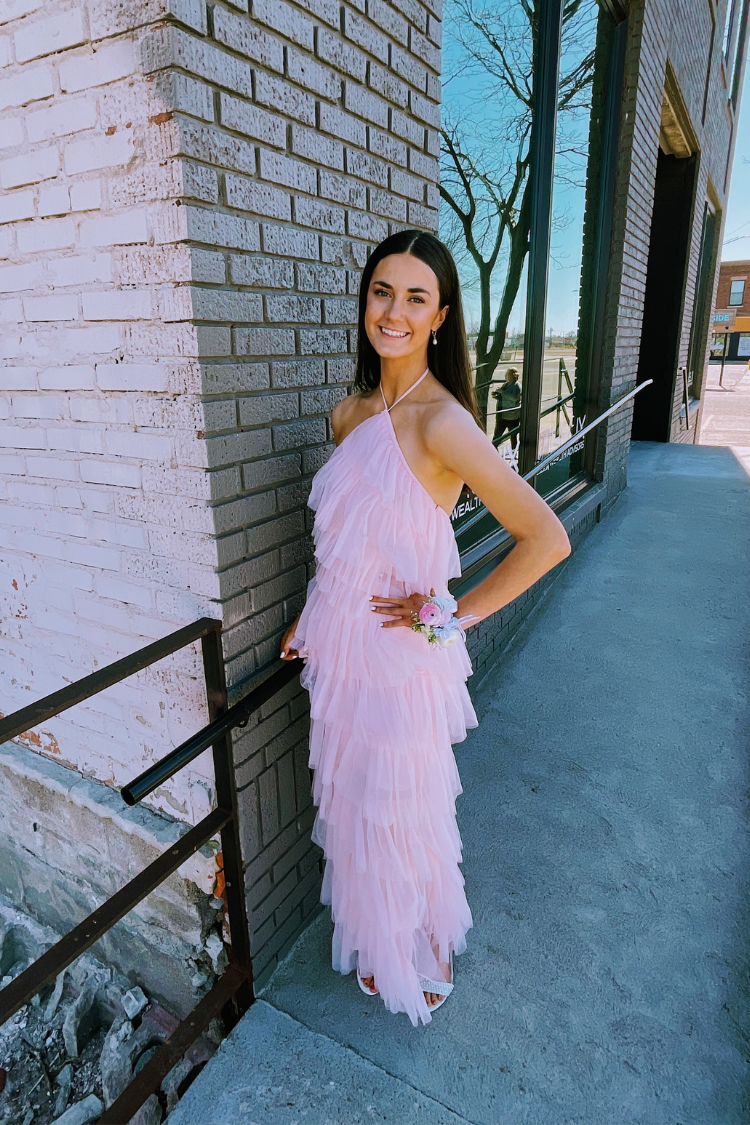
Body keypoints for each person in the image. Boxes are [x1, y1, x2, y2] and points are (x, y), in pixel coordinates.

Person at [279, 230, 570, 1026]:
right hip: (340, 649)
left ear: (440, 315)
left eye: (415, 297)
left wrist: (450, 614)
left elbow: (547, 538)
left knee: (401, 805)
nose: (395, 311)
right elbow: (346, 539)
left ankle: (421, 942)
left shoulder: (444, 422)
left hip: (405, 657)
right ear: (364, 301)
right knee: (351, 803)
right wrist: (312, 611)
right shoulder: (349, 413)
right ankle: (379, 935)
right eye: (382, 291)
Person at [491, 367, 522, 448]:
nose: (506, 376)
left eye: (507, 375)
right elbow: (503, 397)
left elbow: (514, 398)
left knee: (513, 436)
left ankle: (513, 453)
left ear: (513, 376)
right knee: (497, 435)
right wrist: (496, 396)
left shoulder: (517, 386)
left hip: (512, 416)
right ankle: (493, 450)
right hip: (502, 415)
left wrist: (502, 392)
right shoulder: (505, 385)